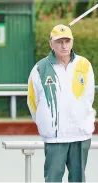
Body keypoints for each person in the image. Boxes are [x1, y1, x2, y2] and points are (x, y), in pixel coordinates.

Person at [27, 24, 95, 182]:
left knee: (78, 179)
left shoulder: (84, 65)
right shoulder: (40, 68)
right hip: (55, 137)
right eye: (59, 41)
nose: (64, 45)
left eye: (67, 41)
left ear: (72, 42)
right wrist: (46, 124)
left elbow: (89, 96)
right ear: (51, 44)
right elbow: (32, 101)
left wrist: (82, 118)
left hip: (80, 135)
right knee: (52, 179)